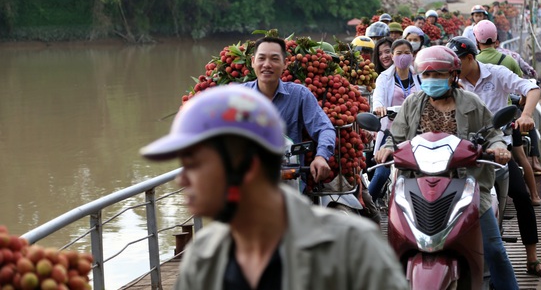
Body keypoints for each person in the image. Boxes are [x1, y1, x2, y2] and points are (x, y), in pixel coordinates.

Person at [140, 85, 409, 290]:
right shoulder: (204, 258)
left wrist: (321, 154)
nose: (181, 179)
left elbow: (324, 128)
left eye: (195, 164)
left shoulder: (350, 246)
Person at [374, 46, 519, 290]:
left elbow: (492, 134)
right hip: (416, 184)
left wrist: (499, 148)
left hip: (465, 184)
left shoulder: (471, 103)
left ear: (453, 76)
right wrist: (386, 148)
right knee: (396, 242)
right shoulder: (412, 104)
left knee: (494, 247)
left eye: (439, 75)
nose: (432, 80)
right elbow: (395, 137)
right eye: (427, 76)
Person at [447, 36, 541, 278]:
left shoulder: (497, 73)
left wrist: (527, 115)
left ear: (470, 57)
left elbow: (532, 88)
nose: (452, 70)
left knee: (521, 195)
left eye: (456, 63)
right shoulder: (449, 82)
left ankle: (532, 258)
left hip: (496, 148)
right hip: (459, 153)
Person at [244, 37, 334, 183]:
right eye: (261, 58)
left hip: (289, 181)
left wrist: (321, 157)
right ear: (253, 61)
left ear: (285, 64)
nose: (267, 65)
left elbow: (324, 128)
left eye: (274, 59)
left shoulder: (299, 95)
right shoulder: (238, 96)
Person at [473, 20, 541, 181]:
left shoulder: (472, 62)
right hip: (505, 118)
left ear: (476, 41)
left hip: (477, 124)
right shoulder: (509, 59)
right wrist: (522, 104)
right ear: (496, 39)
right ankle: (535, 168)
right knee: (520, 153)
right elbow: (524, 85)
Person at [369, 39, 421, 202]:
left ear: (412, 56)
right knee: (381, 173)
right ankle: (366, 209)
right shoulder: (384, 78)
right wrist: (379, 108)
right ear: (392, 56)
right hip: (391, 130)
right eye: (399, 53)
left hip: (416, 131)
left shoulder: (420, 76)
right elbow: (378, 97)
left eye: (407, 53)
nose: (403, 57)